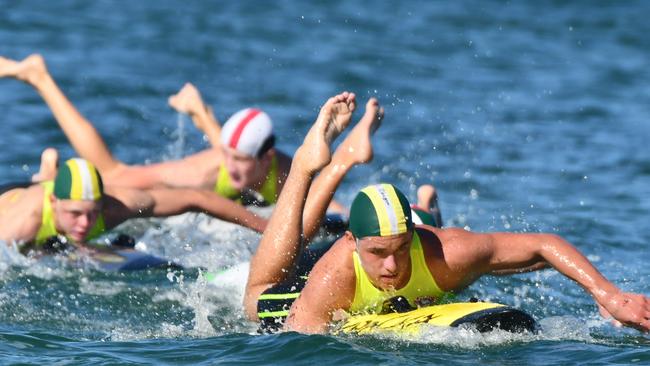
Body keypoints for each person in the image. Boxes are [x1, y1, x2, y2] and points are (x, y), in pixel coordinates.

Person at [243, 93, 650, 334]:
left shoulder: (449, 251)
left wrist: (608, 295)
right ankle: (316, 164)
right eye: (377, 253)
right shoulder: (334, 275)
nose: (390, 265)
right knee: (257, 293)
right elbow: (296, 342)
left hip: (420, 232)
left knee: (426, 241)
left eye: (400, 249)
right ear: (352, 243)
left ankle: (419, 207)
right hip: (307, 289)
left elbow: (543, 245)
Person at [0, 54, 346, 211]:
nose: (232, 166)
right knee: (111, 174)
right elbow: (115, 178)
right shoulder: (211, 169)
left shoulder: (285, 170)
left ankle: (200, 110)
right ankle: (39, 78)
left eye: (240, 159)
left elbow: (332, 207)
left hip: (247, 165)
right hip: (206, 178)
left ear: (267, 158)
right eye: (228, 155)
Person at [0, 156, 269, 253]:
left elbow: (195, 198)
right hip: (13, 197)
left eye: (92, 214)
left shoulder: (117, 205)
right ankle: (47, 173)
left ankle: (50, 172)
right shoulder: (22, 220)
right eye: (75, 214)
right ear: (54, 203)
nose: (85, 223)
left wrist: (267, 229)